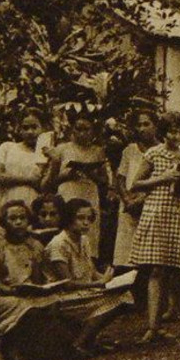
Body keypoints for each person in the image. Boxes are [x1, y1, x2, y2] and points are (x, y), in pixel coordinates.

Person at [128, 111, 180, 345]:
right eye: (171, 131)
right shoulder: (153, 153)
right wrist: (163, 178)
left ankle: (160, 323)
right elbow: (135, 184)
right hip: (156, 212)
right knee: (156, 270)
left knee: (169, 270)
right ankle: (152, 327)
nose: (175, 135)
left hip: (176, 213)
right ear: (163, 132)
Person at [41, 199, 133, 356]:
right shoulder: (58, 244)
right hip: (61, 298)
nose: (86, 223)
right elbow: (66, 284)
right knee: (120, 300)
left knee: (125, 295)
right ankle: (80, 342)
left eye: (89, 218)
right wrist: (99, 283)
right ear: (69, 219)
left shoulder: (83, 240)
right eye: (80, 218)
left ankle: (90, 339)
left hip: (81, 292)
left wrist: (110, 278)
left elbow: (90, 271)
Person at [0, 200, 49, 360]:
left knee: (52, 303)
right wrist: (15, 292)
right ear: (4, 222)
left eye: (22, 218)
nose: (18, 222)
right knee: (25, 307)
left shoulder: (34, 245)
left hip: (25, 292)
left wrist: (38, 288)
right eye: (13, 218)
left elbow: (37, 280)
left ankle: (30, 347)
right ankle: (3, 348)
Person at [51, 110, 113, 262]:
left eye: (86, 129)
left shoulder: (98, 151)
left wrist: (91, 173)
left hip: (89, 193)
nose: (82, 133)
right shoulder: (62, 149)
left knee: (88, 231)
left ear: (93, 131)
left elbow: (104, 181)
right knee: (67, 229)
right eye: (78, 129)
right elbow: (50, 180)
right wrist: (67, 175)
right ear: (72, 129)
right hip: (68, 192)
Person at [0, 109, 56, 244]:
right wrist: (28, 180)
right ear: (19, 129)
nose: (30, 131)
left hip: (31, 202)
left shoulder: (45, 154)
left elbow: (44, 185)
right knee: (0, 243)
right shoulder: (7, 147)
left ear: (42, 128)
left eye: (34, 127)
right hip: (7, 200)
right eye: (25, 127)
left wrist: (54, 161)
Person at [111, 108, 159, 270]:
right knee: (126, 257)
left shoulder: (161, 150)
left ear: (155, 126)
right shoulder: (130, 150)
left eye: (147, 124)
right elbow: (121, 178)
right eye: (139, 125)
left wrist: (141, 200)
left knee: (148, 258)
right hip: (128, 207)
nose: (142, 128)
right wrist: (127, 200)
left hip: (151, 206)